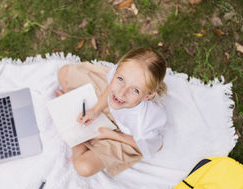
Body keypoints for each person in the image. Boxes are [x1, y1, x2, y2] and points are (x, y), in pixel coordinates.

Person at [56, 48, 167, 178]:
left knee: (83, 167)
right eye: (120, 79)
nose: (121, 92)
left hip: (126, 136)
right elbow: (111, 89)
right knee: (64, 73)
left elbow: (156, 146)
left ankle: (78, 145)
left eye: (135, 90)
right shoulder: (119, 84)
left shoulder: (145, 123)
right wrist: (95, 110)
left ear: (147, 96)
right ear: (117, 70)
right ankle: (81, 129)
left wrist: (112, 135)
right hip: (113, 107)